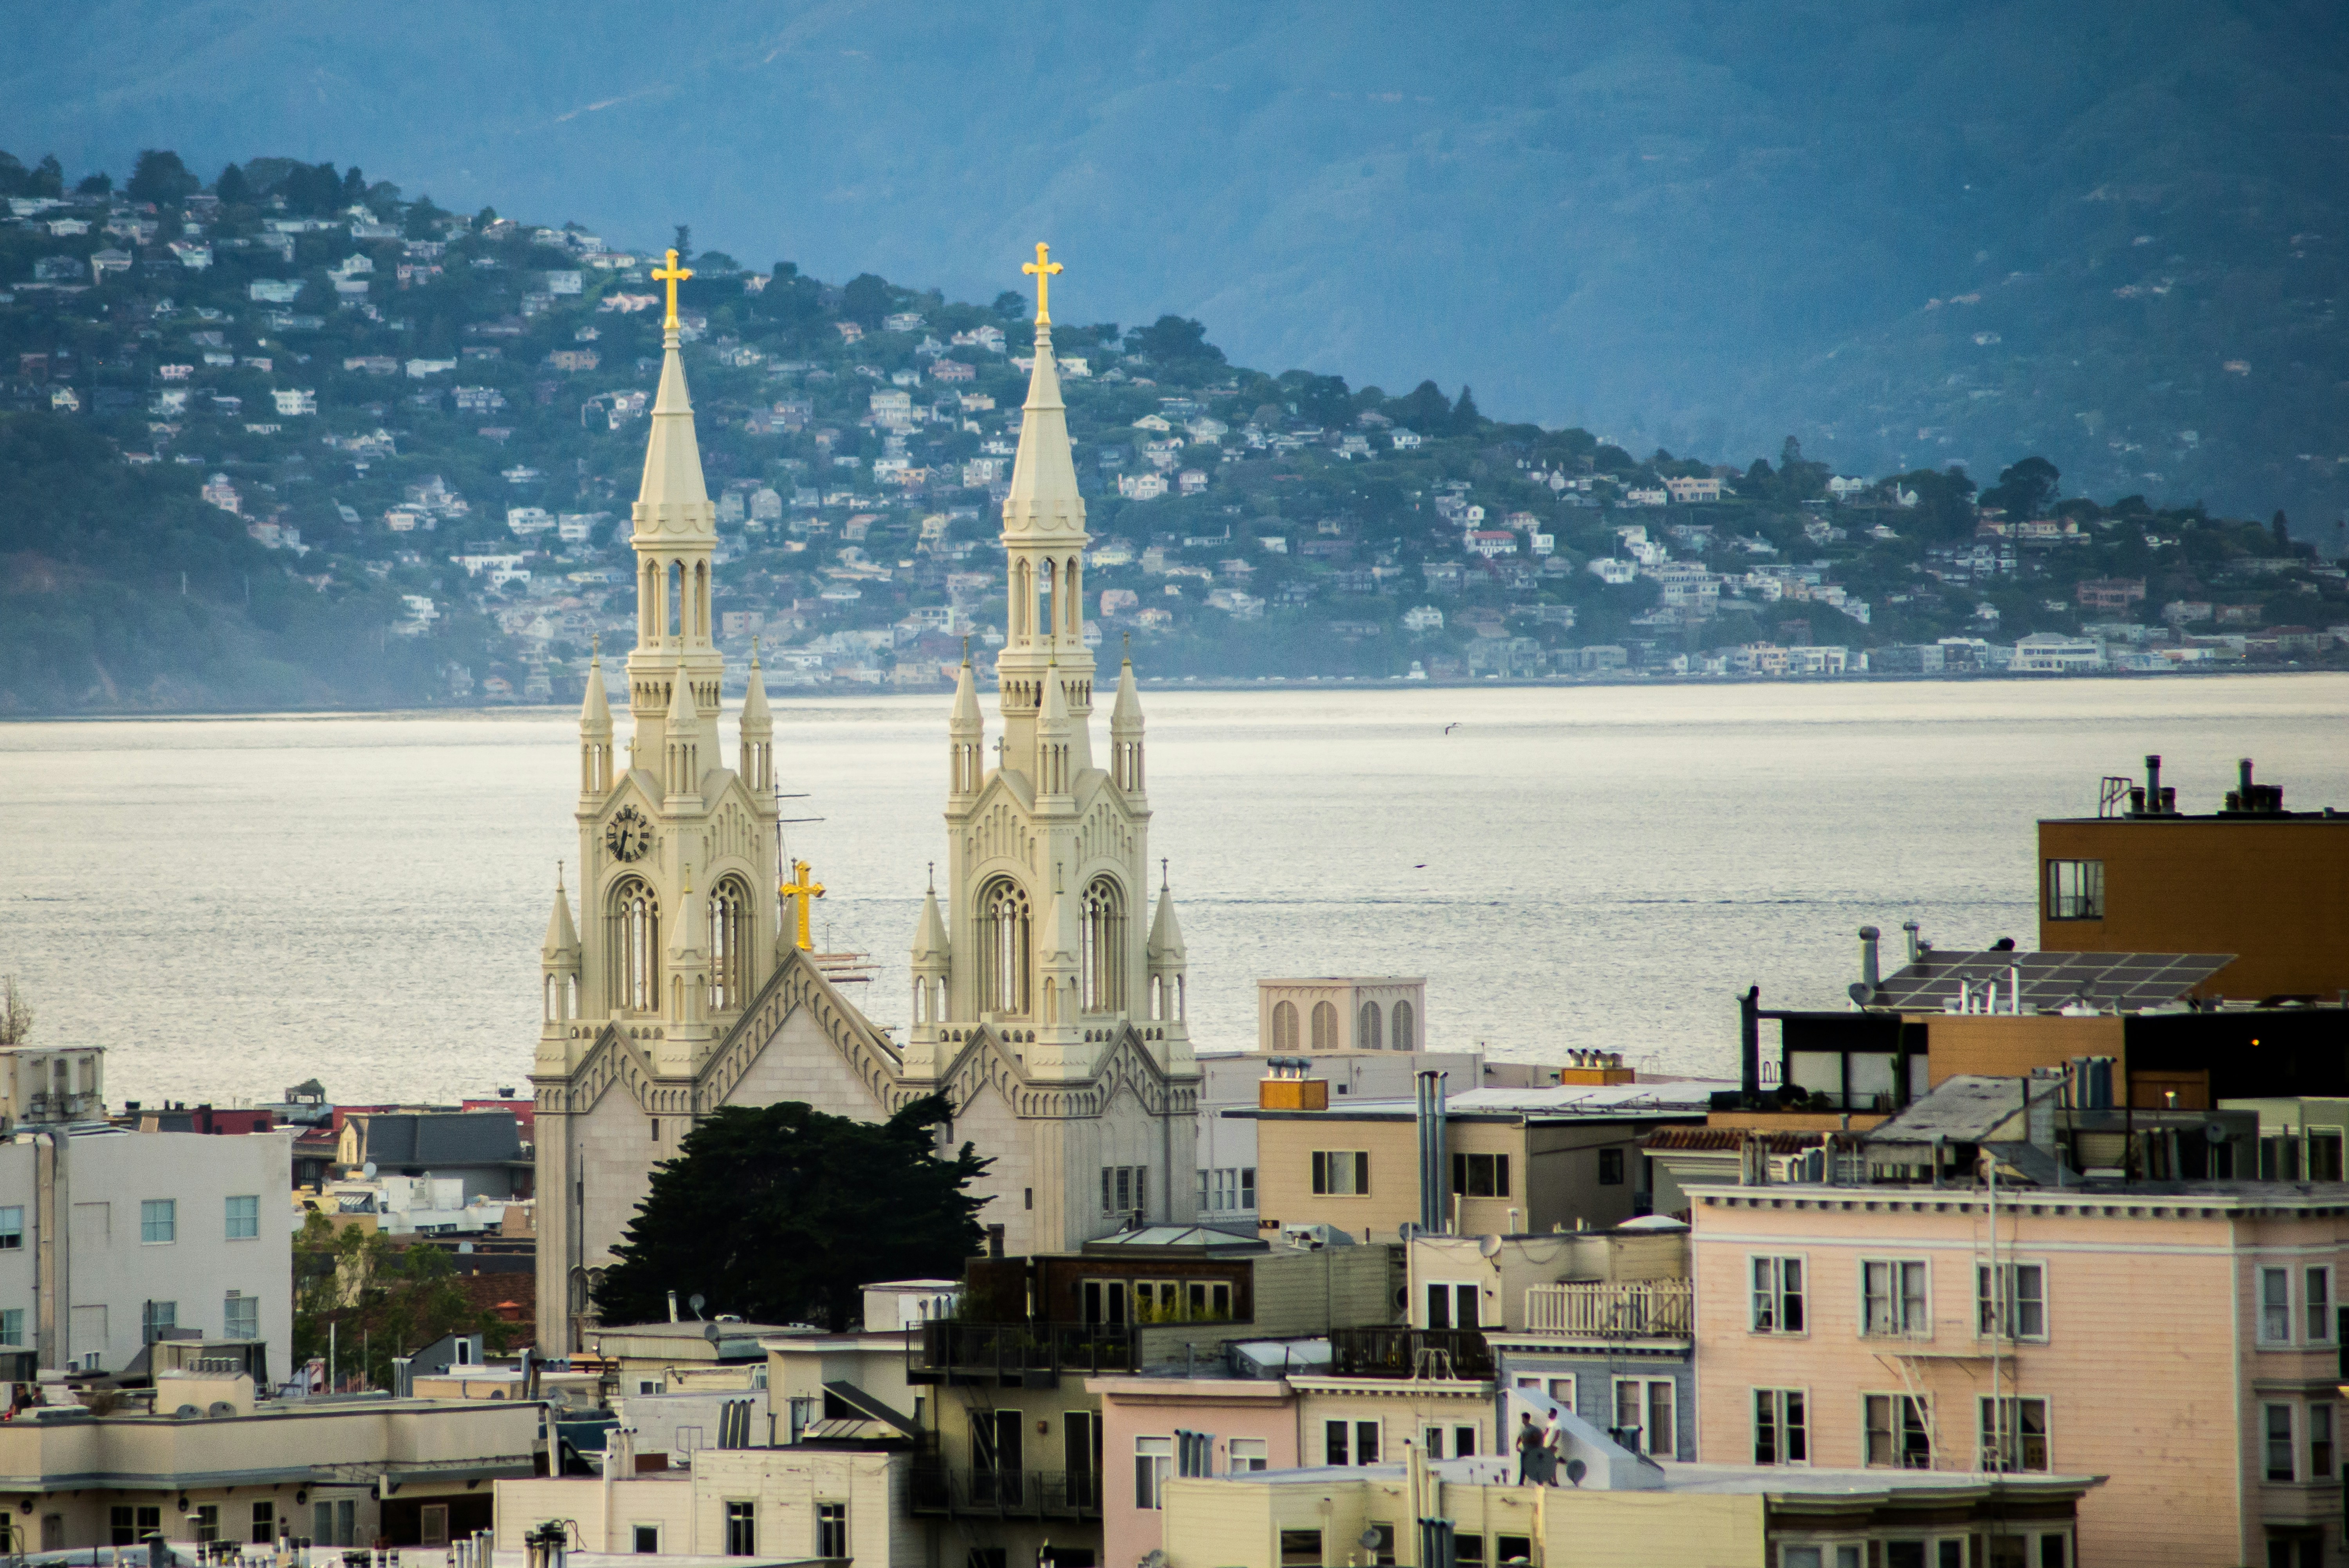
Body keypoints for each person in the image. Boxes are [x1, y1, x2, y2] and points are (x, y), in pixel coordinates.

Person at [1514, 1410, 1544, 1483]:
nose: (1522, 1420)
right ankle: (1521, 1482)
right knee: (1523, 1467)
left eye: (1523, 1419)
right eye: (1522, 1419)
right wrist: (1517, 1446)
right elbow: (1520, 1438)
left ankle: (1540, 1481)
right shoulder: (1523, 1428)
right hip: (1524, 1451)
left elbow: (1540, 1438)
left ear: (1528, 1419)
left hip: (1532, 1451)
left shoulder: (1534, 1429)